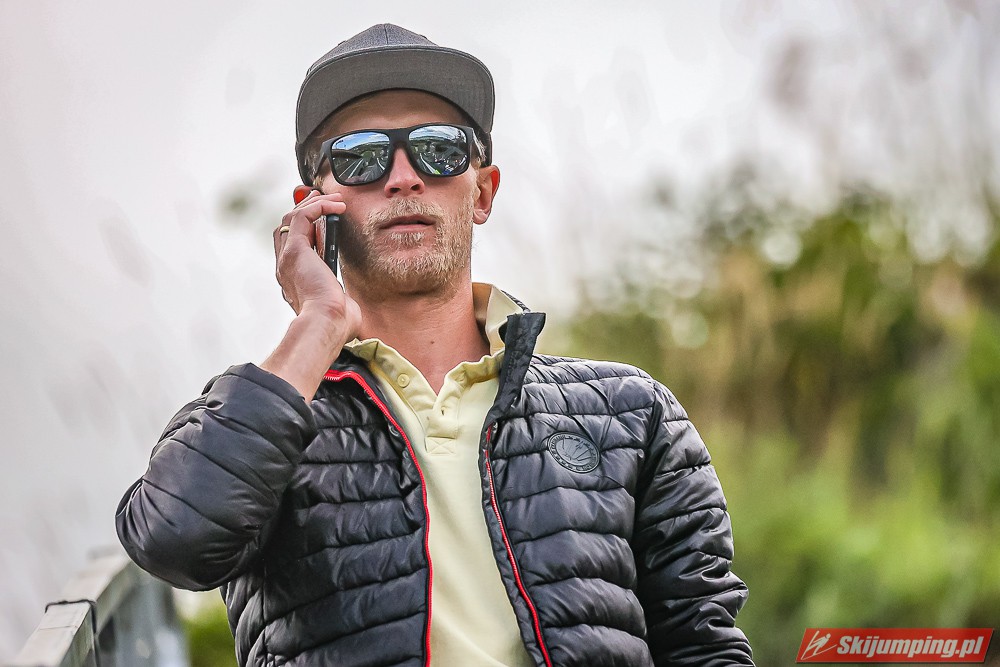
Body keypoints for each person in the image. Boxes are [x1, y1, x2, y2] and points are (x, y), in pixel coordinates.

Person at [116, 23, 754, 667]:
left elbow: (704, 644)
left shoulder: (631, 413)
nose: (403, 177)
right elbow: (174, 543)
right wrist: (317, 321)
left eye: (438, 150)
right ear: (313, 208)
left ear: (483, 191)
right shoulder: (261, 425)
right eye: (361, 156)